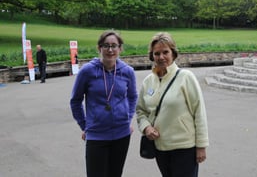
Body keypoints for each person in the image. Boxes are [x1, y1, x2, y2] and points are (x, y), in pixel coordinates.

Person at [136, 32, 209, 177]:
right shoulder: (148, 81)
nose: (161, 57)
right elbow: (141, 111)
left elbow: (199, 112)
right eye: (157, 53)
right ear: (152, 56)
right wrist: (146, 127)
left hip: (184, 148)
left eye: (165, 52)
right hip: (160, 148)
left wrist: (201, 146)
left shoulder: (186, 77)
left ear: (173, 54)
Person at [70, 31, 138, 177]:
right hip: (97, 135)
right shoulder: (87, 71)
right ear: (99, 48)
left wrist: (128, 118)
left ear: (120, 48)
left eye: (114, 45)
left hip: (121, 135)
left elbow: (133, 97)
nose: (110, 50)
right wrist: (85, 125)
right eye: (106, 45)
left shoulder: (127, 72)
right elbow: (75, 100)